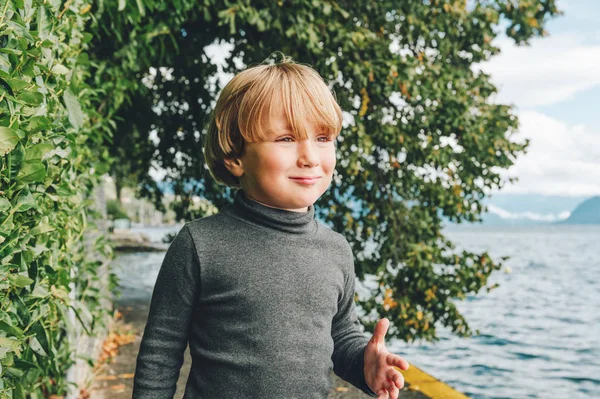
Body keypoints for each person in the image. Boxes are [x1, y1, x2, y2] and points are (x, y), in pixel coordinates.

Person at [132, 56, 409, 399]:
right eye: (286, 139)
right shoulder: (201, 244)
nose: (309, 156)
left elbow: (339, 336)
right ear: (235, 156)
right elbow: (160, 353)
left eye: (323, 138)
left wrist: (365, 366)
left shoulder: (336, 249)